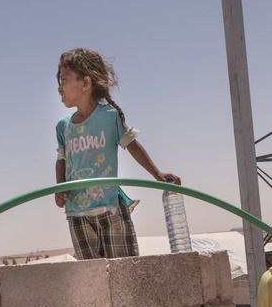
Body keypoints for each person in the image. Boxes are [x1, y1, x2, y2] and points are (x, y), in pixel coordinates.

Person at [54, 47, 180, 260]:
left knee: (125, 271)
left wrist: (157, 174)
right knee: (91, 276)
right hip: (77, 213)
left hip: (110, 207)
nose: (59, 88)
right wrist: (60, 186)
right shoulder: (63, 126)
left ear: (85, 83)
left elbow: (131, 144)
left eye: (64, 80)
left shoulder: (109, 117)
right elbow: (61, 160)